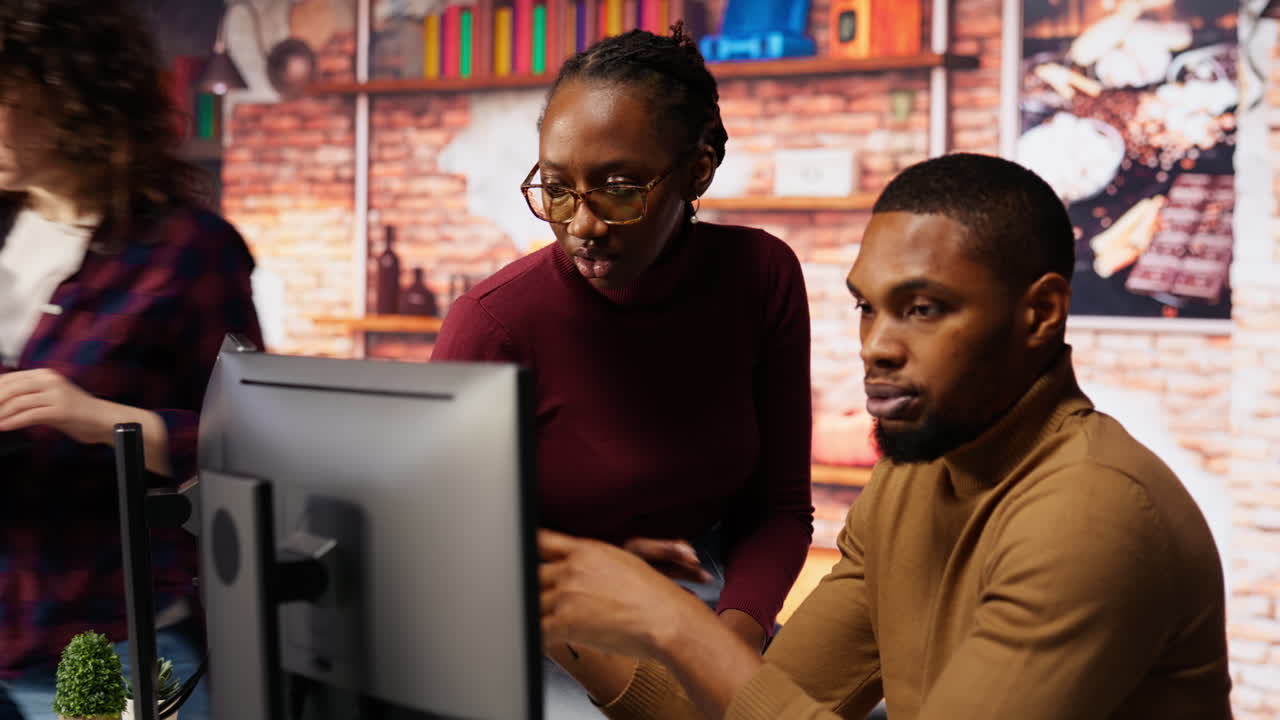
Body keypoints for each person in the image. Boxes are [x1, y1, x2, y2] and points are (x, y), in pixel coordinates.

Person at [537, 153, 1233, 719]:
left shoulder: (1091, 514)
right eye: (867, 308)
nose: (876, 346)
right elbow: (748, 709)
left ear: (1041, 314)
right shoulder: (913, 476)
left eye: (923, 309)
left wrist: (679, 626)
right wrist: (571, 608)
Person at [431, 24, 814, 716]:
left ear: (697, 168)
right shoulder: (492, 324)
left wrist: (723, 647)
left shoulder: (760, 277)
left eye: (617, 187)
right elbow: (444, 549)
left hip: (697, 606)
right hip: (532, 629)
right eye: (556, 189)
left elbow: (779, 510)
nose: (582, 224)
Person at [0, 1, 262, 717]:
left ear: (71, 95)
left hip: (113, 636)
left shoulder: (189, 251)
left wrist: (94, 419)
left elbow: (252, 447)